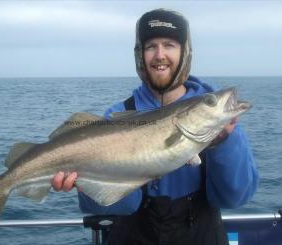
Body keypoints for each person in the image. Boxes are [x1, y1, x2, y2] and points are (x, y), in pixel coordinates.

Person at [53, 9, 258, 245]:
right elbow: (124, 204)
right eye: (151, 46)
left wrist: (224, 144)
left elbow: (234, 198)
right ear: (140, 54)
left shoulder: (216, 119)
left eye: (169, 44)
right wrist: (85, 184)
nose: (159, 55)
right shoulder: (117, 116)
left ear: (185, 52)